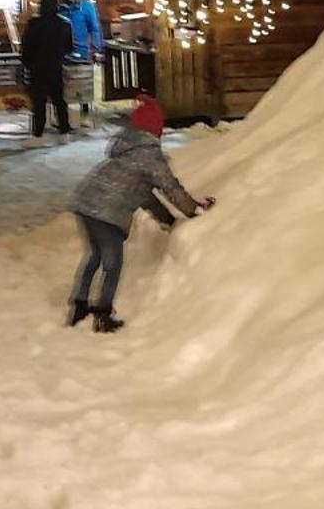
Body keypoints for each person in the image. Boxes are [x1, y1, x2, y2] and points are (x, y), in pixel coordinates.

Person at [65, 94, 213, 333]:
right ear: (155, 129)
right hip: (106, 213)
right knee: (112, 263)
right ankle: (103, 315)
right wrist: (192, 210)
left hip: (84, 202)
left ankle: (79, 305)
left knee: (94, 255)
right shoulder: (150, 156)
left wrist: (168, 220)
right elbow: (170, 187)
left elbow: (144, 196)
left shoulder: (128, 151)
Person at [20, 0, 72, 140]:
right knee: (59, 101)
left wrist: (27, 63)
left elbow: (27, 47)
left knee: (39, 103)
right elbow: (68, 47)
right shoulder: (64, 24)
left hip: (38, 69)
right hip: (56, 67)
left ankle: (38, 134)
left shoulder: (34, 24)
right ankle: (64, 132)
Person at [59, 0, 103, 118]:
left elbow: (94, 28)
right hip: (64, 50)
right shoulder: (60, 7)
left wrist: (97, 49)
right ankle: (65, 110)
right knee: (66, 80)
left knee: (83, 79)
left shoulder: (85, 6)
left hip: (82, 49)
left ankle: (84, 108)